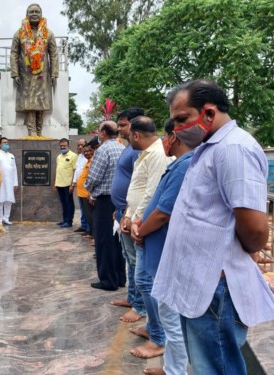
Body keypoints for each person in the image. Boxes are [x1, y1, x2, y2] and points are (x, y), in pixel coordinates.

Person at [152, 80, 274, 375]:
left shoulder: (234, 148)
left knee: (216, 367)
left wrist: (229, 257)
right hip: (201, 282)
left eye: (182, 119)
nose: (177, 128)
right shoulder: (209, 148)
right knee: (207, 364)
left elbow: (256, 230)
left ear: (208, 113)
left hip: (214, 283)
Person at [130, 118, 193, 374]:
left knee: (171, 318)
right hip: (160, 249)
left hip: (165, 250)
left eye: (165, 137)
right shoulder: (178, 163)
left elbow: (162, 212)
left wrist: (140, 231)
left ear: (173, 137)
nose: (163, 142)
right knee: (171, 318)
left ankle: (174, 371)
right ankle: (171, 368)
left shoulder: (183, 165)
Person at [121, 115, 171, 359]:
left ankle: (160, 337)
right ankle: (153, 328)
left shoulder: (159, 154)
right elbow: (138, 188)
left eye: (128, 134)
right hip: (138, 221)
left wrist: (137, 219)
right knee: (142, 278)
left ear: (136, 135)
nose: (127, 138)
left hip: (148, 225)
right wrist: (128, 214)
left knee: (146, 280)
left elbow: (153, 192)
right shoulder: (146, 154)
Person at [110, 108, 145, 323]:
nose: (119, 129)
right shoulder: (128, 147)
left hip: (131, 213)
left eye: (122, 125)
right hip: (123, 211)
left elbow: (140, 184)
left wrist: (131, 213)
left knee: (135, 260)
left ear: (135, 125)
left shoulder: (140, 150)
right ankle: (133, 298)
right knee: (129, 259)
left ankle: (140, 306)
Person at [85, 121, 125, 291]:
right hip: (119, 199)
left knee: (103, 240)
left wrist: (89, 190)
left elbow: (93, 177)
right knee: (117, 240)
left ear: (103, 133)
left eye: (99, 131)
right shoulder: (121, 148)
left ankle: (108, 280)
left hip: (104, 200)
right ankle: (120, 278)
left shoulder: (103, 150)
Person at [10, 3, 59, 136]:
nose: (34, 14)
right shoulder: (19, 33)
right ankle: (31, 131)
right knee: (29, 102)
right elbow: (14, 53)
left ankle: (39, 130)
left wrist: (54, 73)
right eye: (31, 12)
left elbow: (53, 54)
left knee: (41, 102)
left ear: (41, 14)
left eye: (37, 11)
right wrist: (15, 73)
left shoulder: (48, 33)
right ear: (27, 15)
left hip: (43, 74)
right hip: (25, 73)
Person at [54, 138, 77, 228]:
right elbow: (58, 170)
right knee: (63, 202)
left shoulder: (73, 156)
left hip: (68, 184)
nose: (63, 147)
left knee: (69, 202)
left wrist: (72, 184)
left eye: (64, 146)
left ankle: (69, 221)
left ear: (68, 146)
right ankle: (64, 220)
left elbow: (75, 170)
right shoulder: (59, 157)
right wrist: (55, 183)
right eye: (61, 146)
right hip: (59, 183)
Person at [0, 137, 19, 225]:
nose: (6, 144)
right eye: (4, 143)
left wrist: (15, 183)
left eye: (7, 143)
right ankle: (0, 218)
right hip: (1, 181)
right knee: (0, 200)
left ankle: (6, 218)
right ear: (0, 144)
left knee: (9, 200)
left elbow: (14, 169)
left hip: (10, 181)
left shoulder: (11, 155)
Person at [70, 138, 90, 234]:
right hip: (79, 187)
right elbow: (77, 171)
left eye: (81, 145)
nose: (79, 147)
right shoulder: (80, 157)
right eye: (78, 145)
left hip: (86, 188)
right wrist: (73, 183)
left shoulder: (88, 157)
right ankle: (83, 225)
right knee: (82, 208)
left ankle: (89, 229)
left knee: (87, 210)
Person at [75, 141, 95, 236]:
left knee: (90, 215)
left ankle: (94, 235)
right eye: (85, 151)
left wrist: (90, 194)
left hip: (87, 194)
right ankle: (90, 232)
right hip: (81, 193)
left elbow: (92, 179)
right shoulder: (87, 161)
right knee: (87, 214)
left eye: (89, 151)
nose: (87, 153)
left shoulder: (93, 161)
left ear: (93, 151)